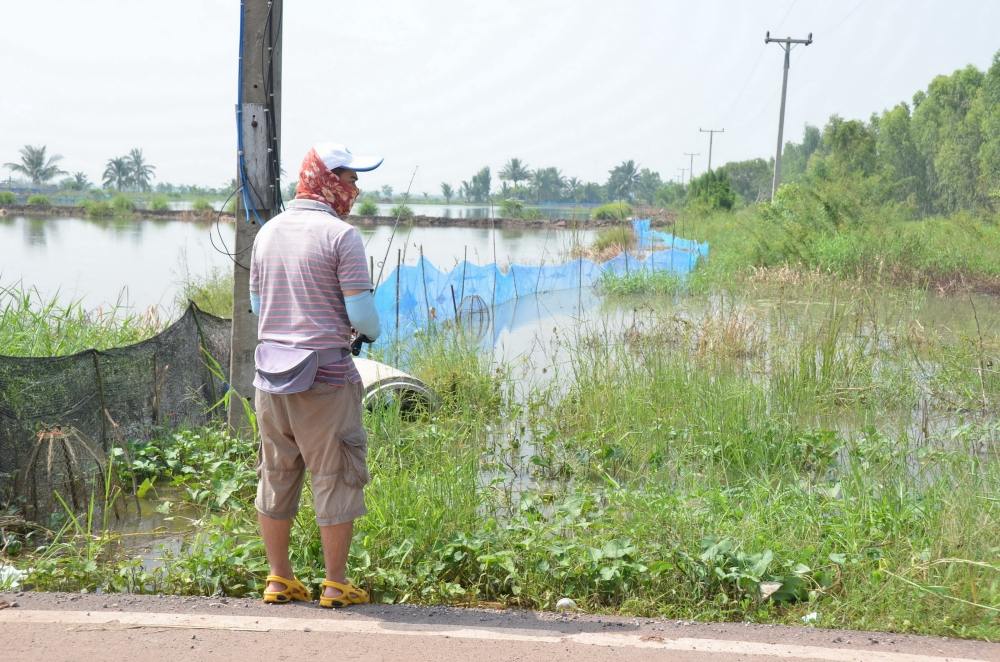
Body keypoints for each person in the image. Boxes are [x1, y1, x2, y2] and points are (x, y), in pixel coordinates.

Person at [248, 142, 382, 608]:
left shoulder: (268, 233)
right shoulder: (341, 237)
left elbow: (257, 307)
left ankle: (279, 578)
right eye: (350, 178)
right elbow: (363, 318)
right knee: (337, 474)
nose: (356, 188)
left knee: (277, 473)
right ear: (327, 180)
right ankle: (334, 583)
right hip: (325, 381)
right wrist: (367, 327)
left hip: (271, 379)